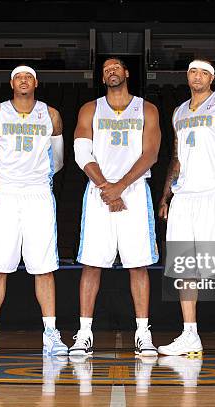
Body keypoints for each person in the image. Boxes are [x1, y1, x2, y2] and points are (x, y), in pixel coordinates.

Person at [0, 65, 68, 356]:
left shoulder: (51, 114)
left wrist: (36, 175)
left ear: (36, 82)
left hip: (38, 193)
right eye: (18, 77)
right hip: (6, 193)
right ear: (11, 83)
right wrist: (8, 175)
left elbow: (58, 159)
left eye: (28, 77)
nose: (24, 81)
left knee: (44, 266)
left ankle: (51, 335)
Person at [157, 59, 215, 358]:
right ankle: (189, 334)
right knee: (185, 267)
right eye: (193, 72)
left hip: (214, 192)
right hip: (184, 196)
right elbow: (177, 158)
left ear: (212, 77)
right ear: (187, 76)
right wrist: (166, 196)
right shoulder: (179, 111)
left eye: (203, 72)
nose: (197, 76)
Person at [71, 57, 161, 357]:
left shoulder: (146, 109)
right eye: (105, 68)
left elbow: (151, 154)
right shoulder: (90, 109)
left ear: (126, 73)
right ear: (102, 76)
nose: (111, 70)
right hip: (100, 190)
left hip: (133, 191)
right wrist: (107, 188)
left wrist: (119, 187)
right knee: (91, 264)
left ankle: (143, 333)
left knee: (138, 265)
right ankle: (84, 334)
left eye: (116, 67)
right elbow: (81, 151)